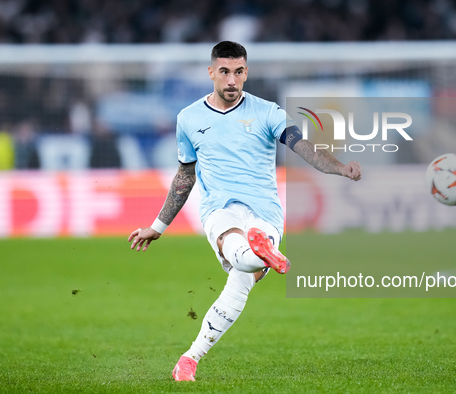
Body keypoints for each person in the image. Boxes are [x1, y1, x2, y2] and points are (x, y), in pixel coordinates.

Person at [128, 41, 361, 382]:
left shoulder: (269, 112)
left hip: (264, 212)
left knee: (240, 279)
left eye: (239, 72)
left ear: (246, 72)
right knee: (240, 258)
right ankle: (261, 255)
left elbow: (304, 148)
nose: (232, 81)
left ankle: (190, 357)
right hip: (219, 210)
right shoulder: (189, 119)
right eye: (224, 72)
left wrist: (339, 168)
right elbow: (184, 176)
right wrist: (158, 226)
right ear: (211, 73)